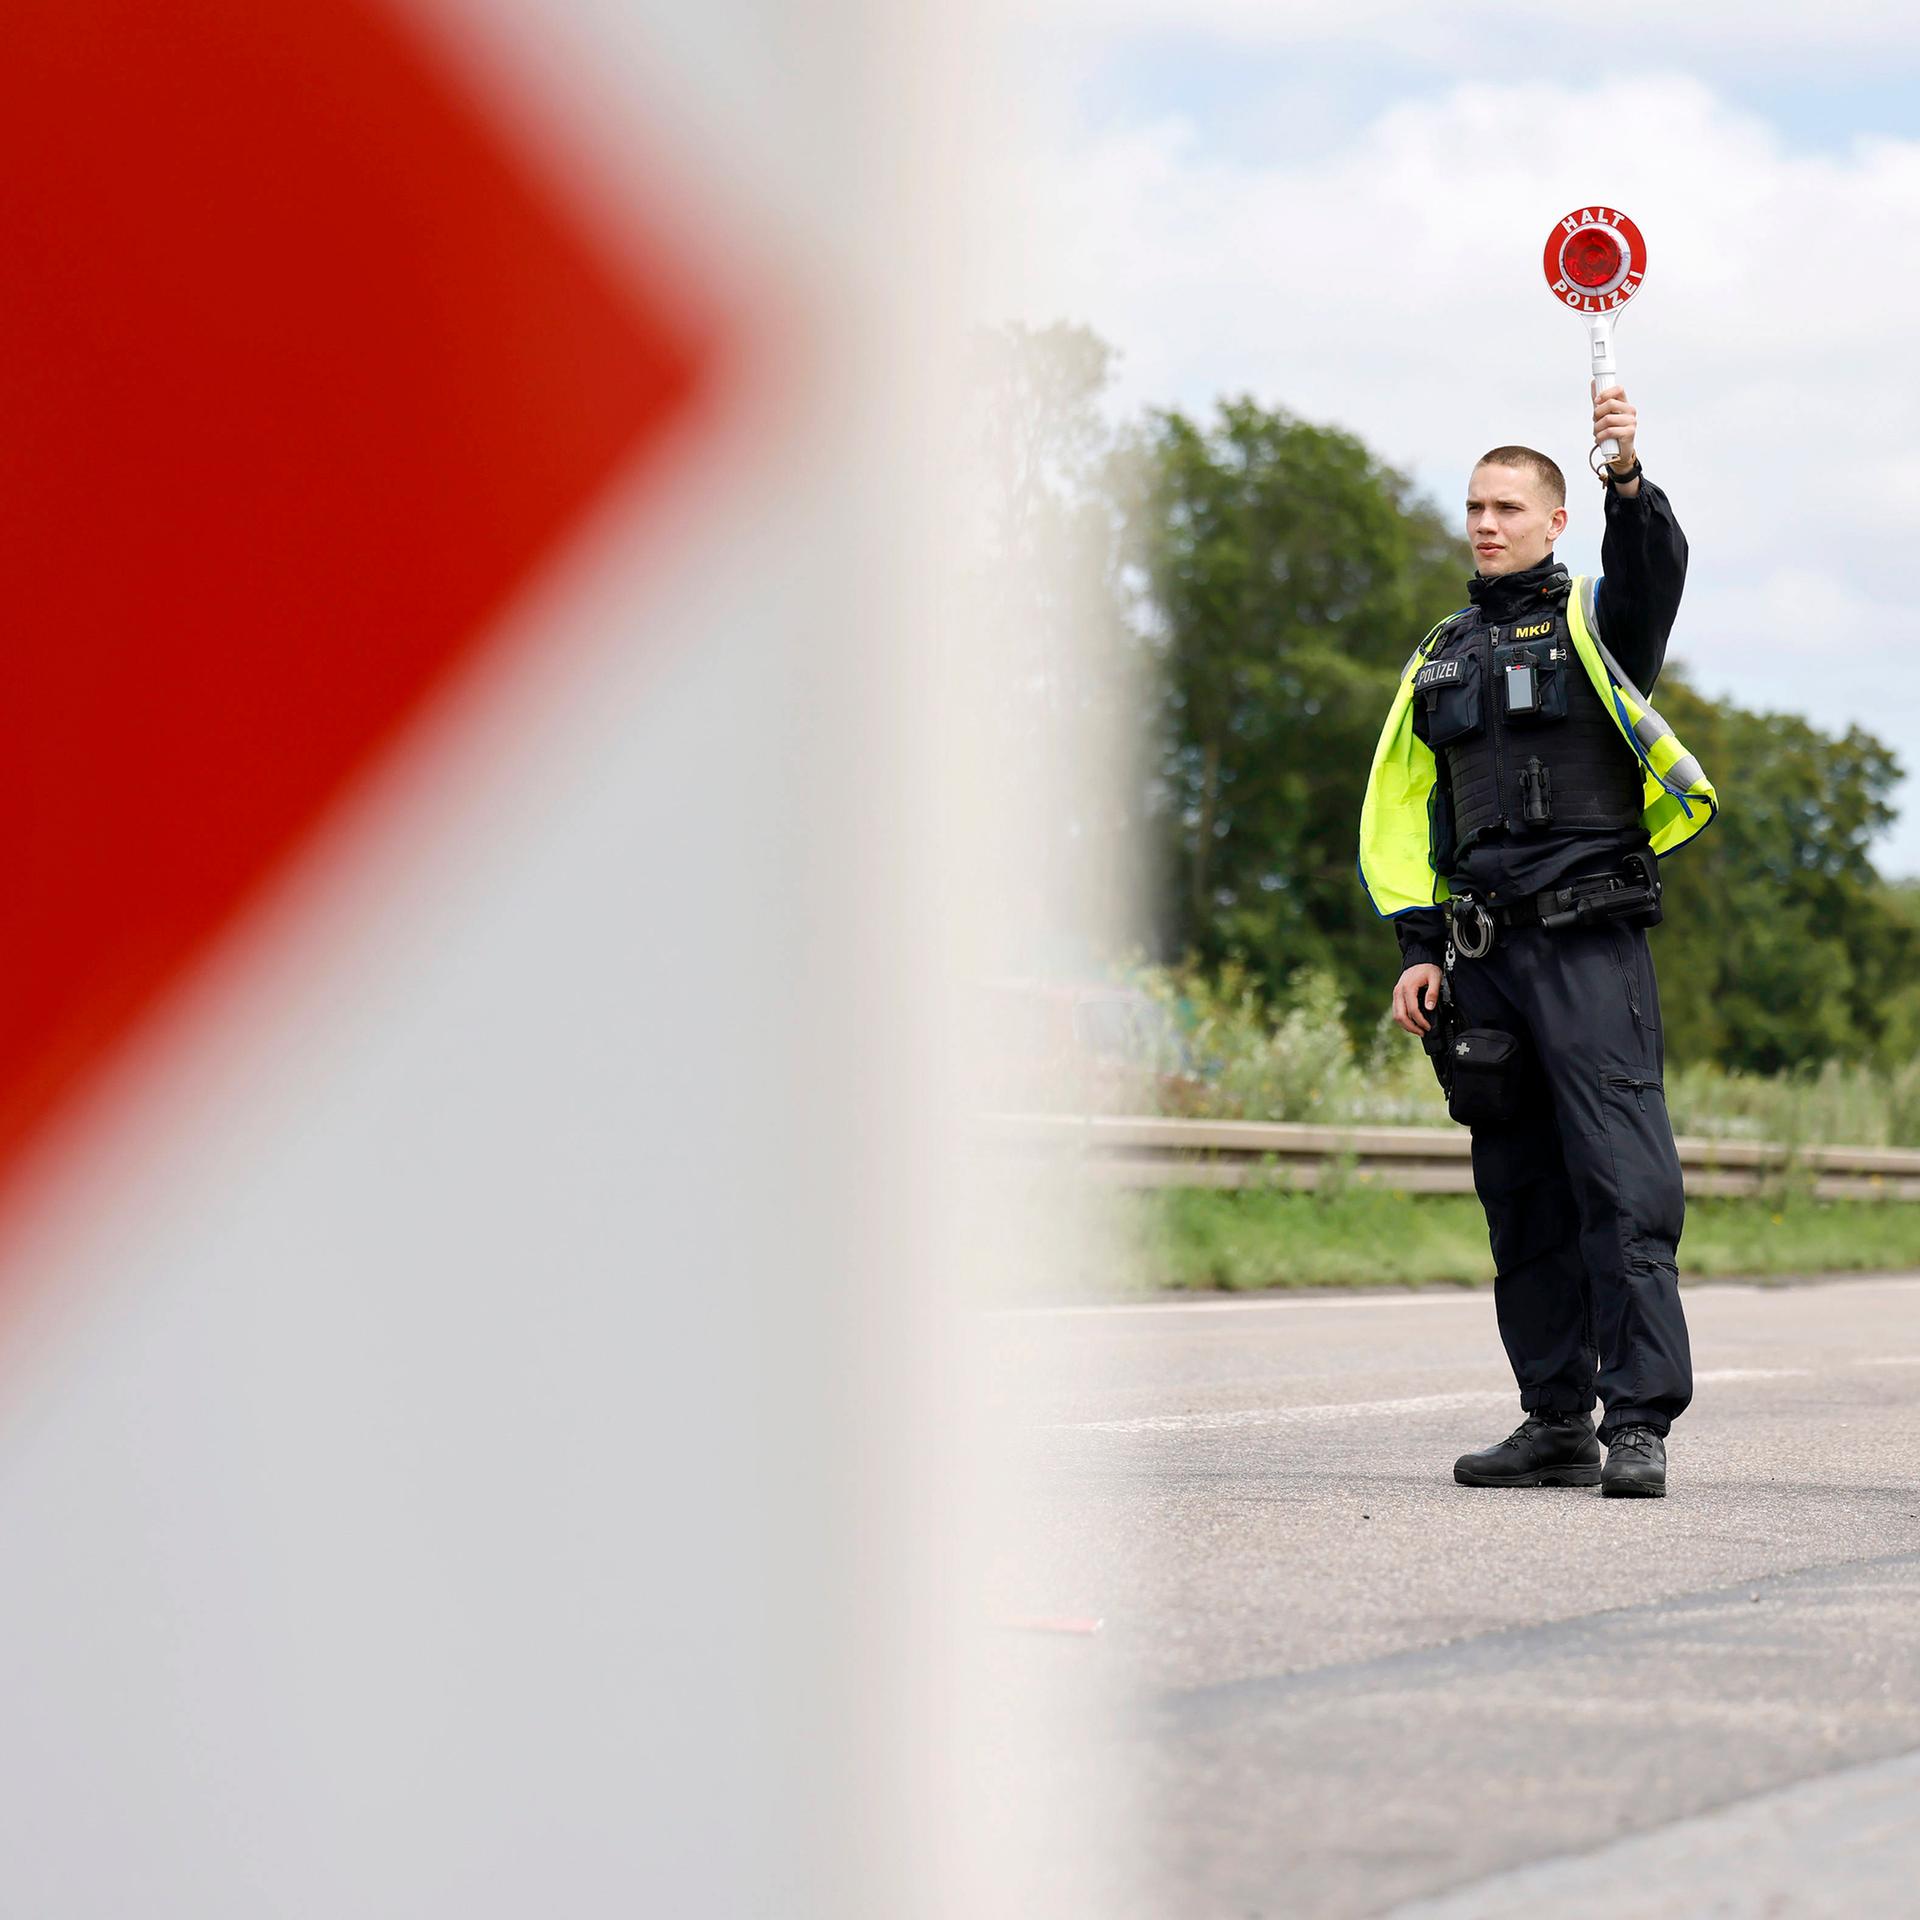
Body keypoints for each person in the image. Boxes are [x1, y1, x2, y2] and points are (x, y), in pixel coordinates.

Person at [1356, 385, 1718, 1498]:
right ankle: (1554, 1418)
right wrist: (1421, 948)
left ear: (1553, 522)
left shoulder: (1594, 623)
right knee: (1521, 1196)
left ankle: (1638, 1422)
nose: (1486, 522)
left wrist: (1625, 477)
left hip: (1588, 947)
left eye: (1508, 505)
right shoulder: (1440, 654)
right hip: (1483, 964)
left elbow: (1654, 570)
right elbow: (1413, 810)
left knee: (1620, 1185)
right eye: (1474, 505)